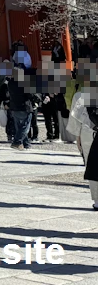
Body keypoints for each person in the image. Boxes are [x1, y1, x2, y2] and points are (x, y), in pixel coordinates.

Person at [63, 58, 97, 210]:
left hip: (88, 133)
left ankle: (97, 199)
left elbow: (75, 120)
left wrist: (78, 138)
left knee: (92, 165)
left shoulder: (80, 95)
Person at [2, 64, 38, 150]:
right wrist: (36, 100)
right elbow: (30, 94)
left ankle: (25, 143)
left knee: (18, 126)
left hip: (14, 106)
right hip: (24, 106)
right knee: (25, 126)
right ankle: (17, 142)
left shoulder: (10, 83)